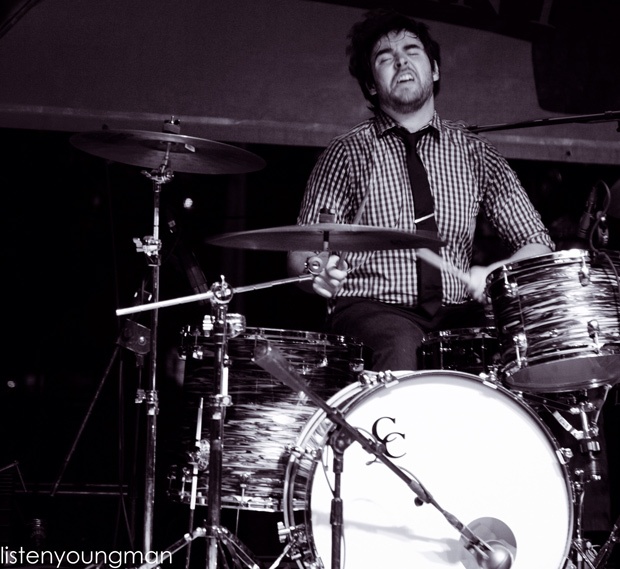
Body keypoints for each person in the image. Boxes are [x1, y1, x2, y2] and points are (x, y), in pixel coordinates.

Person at [287, 9, 554, 372]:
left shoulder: (476, 153)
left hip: (458, 314)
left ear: (435, 70)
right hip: (374, 310)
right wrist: (316, 268)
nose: (400, 61)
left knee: (512, 352)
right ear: (370, 84)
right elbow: (303, 248)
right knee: (399, 343)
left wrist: (495, 273)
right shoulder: (347, 152)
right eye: (385, 58)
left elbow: (537, 242)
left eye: (412, 51)